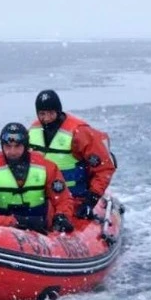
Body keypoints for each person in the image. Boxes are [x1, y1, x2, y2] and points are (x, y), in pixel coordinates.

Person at [28, 89, 116, 219]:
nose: (46, 118)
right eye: (42, 114)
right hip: (42, 199)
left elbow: (104, 168)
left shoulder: (79, 133)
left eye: (51, 113)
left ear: (58, 111)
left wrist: (90, 200)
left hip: (75, 198)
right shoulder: (33, 131)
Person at [0, 123, 75, 234]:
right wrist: (15, 222)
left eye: (17, 146)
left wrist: (62, 216)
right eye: (8, 146)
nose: (12, 152)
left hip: (39, 228)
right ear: (2, 146)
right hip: (2, 229)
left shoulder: (47, 167)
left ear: (26, 145)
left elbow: (63, 199)